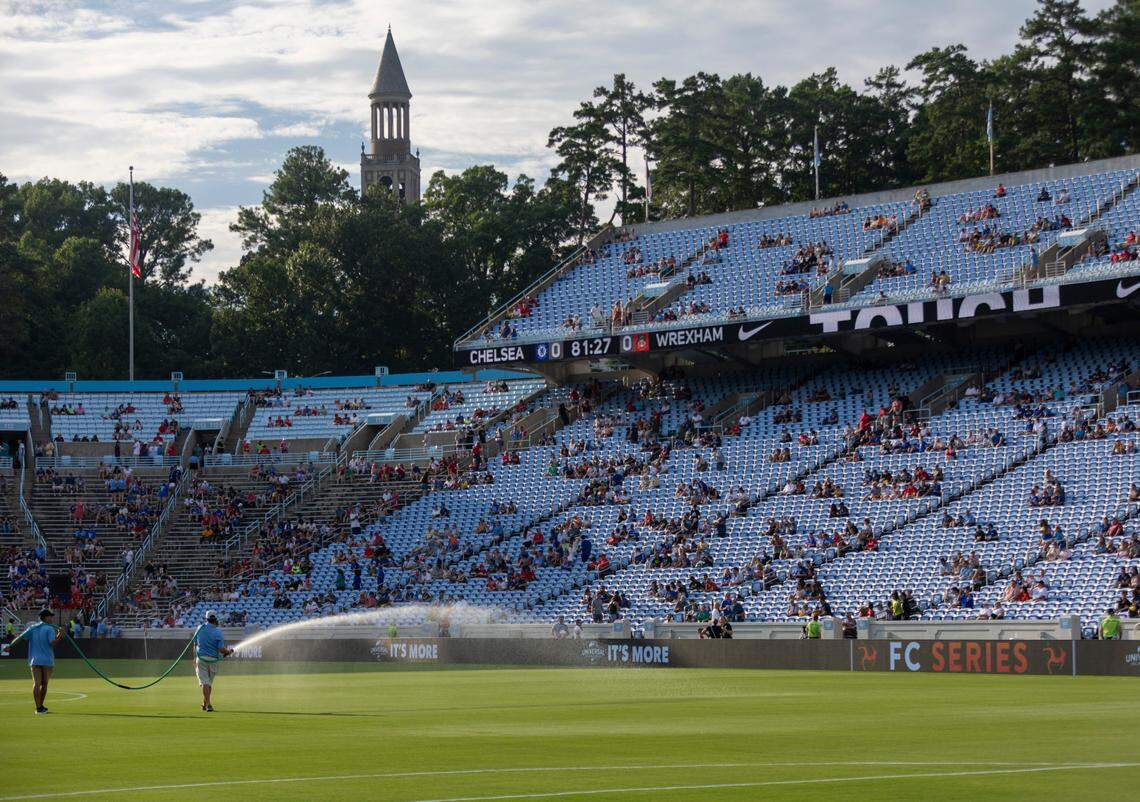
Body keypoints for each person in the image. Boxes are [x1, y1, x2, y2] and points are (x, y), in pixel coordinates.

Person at [16, 609, 65, 714]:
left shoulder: (33, 628)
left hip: (34, 659)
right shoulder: (49, 628)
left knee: (36, 683)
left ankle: (39, 707)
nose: (52, 618)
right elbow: (52, 643)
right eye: (50, 616)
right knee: (44, 684)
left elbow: (23, 637)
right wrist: (60, 634)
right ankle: (40, 706)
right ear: (45, 617)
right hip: (47, 660)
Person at [194, 611, 233, 712]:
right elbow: (221, 649)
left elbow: (194, 644)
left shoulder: (199, 628)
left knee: (205, 683)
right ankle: (208, 704)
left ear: (206, 618)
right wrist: (228, 651)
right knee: (208, 683)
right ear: (215, 619)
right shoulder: (217, 631)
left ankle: (205, 703)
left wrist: (194, 658)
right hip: (213, 660)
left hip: (201, 659)